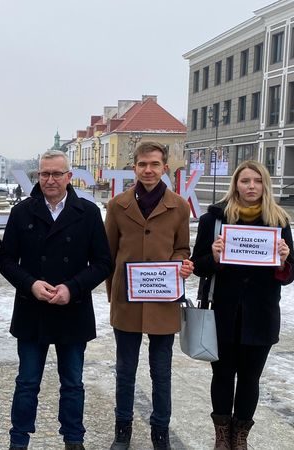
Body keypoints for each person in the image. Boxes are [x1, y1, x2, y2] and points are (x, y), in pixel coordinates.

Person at [0, 149, 112, 450]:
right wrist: (30, 284)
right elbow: (6, 259)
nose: (49, 179)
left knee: (73, 383)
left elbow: (102, 263)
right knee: (27, 382)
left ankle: (74, 439)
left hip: (72, 309)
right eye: (44, 173)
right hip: (32, 309)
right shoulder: (23, 211)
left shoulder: (87, 212)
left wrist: (72, 288)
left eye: (56, 174)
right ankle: (18, 440)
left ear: (69, 177)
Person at [191, 160, 293, 450]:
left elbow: (289, 275)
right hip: (225, 312)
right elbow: (199, 267)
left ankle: (241, 436)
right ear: (235, 184)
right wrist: (214, 256)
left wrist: (284, 261)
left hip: (261, 314)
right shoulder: (215, 219)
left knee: (250, 378)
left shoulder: (279, 221)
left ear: (265, 185)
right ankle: (222, 434)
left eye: (257, 181)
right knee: (222, 376)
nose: (251, 186)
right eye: (245, 181)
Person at [104, 142, 193, 450]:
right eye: (143, 164)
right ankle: (122, 431)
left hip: (163, 299)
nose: (148, 170)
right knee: (125, 371)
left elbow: (183, 248)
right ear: (134, 168)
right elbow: (108, 254)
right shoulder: (117, 205)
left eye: (155, 164)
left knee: (161, 372)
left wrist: (183, 263)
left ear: (165, 167)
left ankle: (160, 432)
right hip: (126, 299)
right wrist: (111, 294)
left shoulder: (179, 206)